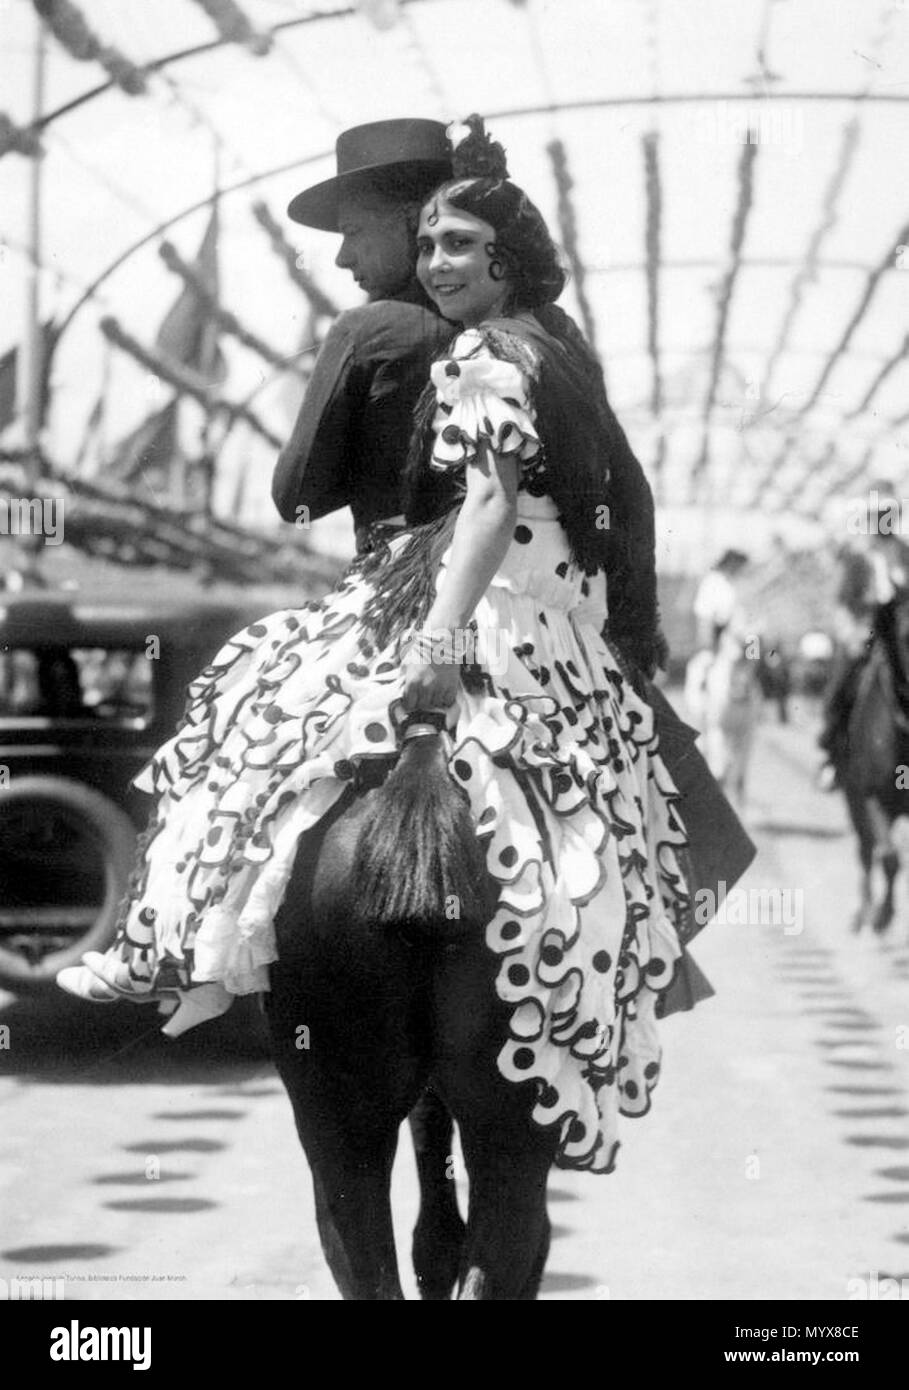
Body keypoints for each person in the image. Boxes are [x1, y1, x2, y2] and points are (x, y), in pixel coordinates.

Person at [56, 117, 726, 1166]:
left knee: (246, 727)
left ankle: (170, 945)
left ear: (428, 223)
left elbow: (299, 493)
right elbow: (624, 505)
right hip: (556, 628)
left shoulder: (380, 332)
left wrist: (439, 626)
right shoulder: (557, 344)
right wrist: (620, 645)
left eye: (361, 226)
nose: (349, 253)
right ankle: (599, 996)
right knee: (620, 825)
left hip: (421, 599)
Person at [272, 118, 455, 553]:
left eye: (353, 231)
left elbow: (294, 497)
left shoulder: (364, 331)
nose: (341, 257)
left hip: (401, 585)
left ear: (414, 223)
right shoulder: (528, 330)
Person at [818, 496, 909, 788]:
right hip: (865, 634)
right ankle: (832, 751)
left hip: (899, 631)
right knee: (842, 682)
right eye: (879, 514)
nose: (885, 520)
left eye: (889, 514)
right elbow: (841, 603)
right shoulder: (857, 557)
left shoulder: (903, 551)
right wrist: (851, 634)